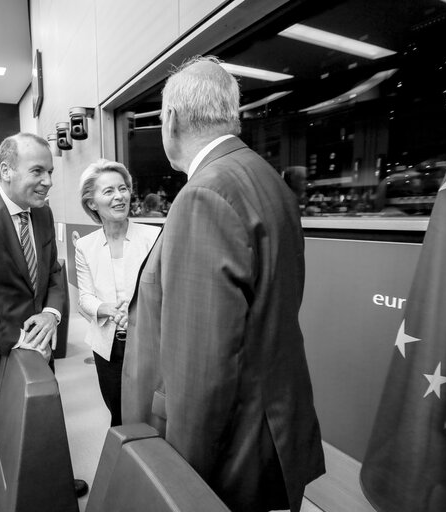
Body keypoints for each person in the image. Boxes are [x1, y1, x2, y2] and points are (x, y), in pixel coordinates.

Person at [121, 56, 325, 512]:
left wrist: (178, 481)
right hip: (272, 419)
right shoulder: (266, 177)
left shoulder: (204, 193)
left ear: (170, 119)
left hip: (233, 448)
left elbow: (201, 369)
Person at [0, 133, 88, 498]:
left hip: (40, 346)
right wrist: (20, 338)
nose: (49, 181)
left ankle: (52, 484)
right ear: (5, 171)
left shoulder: (43, 212)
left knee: (45, 423)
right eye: (38, 170)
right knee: (8, 438)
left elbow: (53, 272)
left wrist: (52, 314)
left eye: (51, 171)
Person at [74, 160, 159, 427]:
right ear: (91, 202)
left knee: (149, 413)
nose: (119, 196)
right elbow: (85, 297)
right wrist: (109, 309)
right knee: (118, 413)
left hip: (148, 341)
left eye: (122, 188)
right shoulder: (85, 246)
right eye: (108, 191)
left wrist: (134, 312)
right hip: (107, 346)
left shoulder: (154, 237)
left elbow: (164, 291)